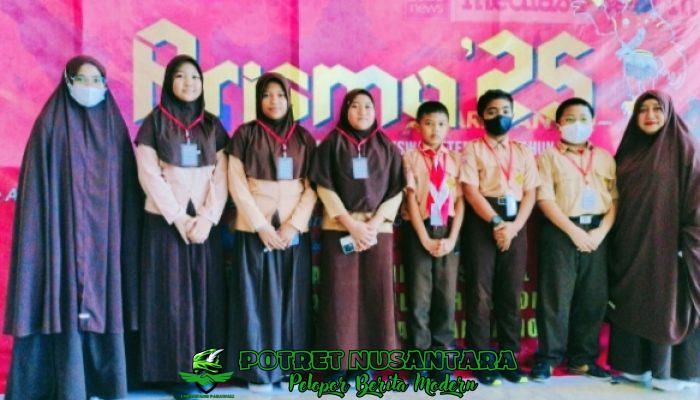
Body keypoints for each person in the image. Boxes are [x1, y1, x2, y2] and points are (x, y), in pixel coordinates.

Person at [3, 55, 141, 400]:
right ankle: (62, 383)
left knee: (104, 296)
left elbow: (126, 189)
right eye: (83, 79)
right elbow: (37, 189)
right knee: (60, 292)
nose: (90, 87)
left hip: (104, 238)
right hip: (60, 235)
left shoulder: (113, 126)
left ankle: (104, 381)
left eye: (97, 80)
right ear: (68, 81)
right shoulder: (49, 124)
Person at [134, 55, 229, 389]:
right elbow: (149, 175)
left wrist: (207, 218)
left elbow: (222, 176)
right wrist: (178, 217)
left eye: (195, 77)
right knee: (170, 298)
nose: (189, 83)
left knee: (206, 297)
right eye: (180, 76)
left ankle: (205, 371)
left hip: (205, 227)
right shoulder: (154, 123)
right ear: (168, 82)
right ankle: (174, 374)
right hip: (164, 224)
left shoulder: (212, 125)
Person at [225, 72, 317, 393]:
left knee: (293, 300)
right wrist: (261, 225)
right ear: (258, 99)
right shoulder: (245, 134)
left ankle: (291, 369)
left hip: (293, 232)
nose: (273, 101)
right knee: (257, 302)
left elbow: (313, 188)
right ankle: (259, 373)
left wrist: (293, 225)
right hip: (255, 230)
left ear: (288, 100)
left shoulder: (303, 137)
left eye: (279, 95)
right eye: (266, 95)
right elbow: (236, 183)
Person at [608, 90, 700, 392]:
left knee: (665, 306)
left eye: (657, 109)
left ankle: (669, 372)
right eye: (643, 110)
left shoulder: (684, 148)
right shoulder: (629, 149)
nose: (650, 115)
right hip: (630, 246)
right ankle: (635, 366)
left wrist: (687, 247)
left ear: (669, 113)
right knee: (634, 303)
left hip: (668, 249)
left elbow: (696, 205)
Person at [311, 89, 404, 382]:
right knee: (340, 296)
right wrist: (351, 224)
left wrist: (373, 223)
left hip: (378, 231)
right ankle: (337, 364)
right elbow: (323, 186)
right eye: (355, 106)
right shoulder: (332, 143)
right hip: (340, 229)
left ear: (375, 112)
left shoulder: (387, 147)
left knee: (374, 294)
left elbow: (397, 189)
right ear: (345, 111)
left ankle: (366, 364)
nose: (362, 111)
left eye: (368, 106)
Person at [530, 98, 616, 381]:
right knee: (555, 298)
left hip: (597, 234)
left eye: (583, 119)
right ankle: (548, 359)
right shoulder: (548, 157)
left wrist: (600, 232)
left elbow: (615, 200)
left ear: (593, 123)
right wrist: (573, 231)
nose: (577, 124)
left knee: (593, 299)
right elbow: (544, 199)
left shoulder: (605, 158)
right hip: (560, 232)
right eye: (570, 119)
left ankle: (583, 359)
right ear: (559, 125)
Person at [460, 89, 540, 385]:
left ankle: (509, 358)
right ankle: (481, 360)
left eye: (505, 111)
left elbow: (530, 193)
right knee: (479, 294)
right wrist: (496, 222)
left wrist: (514, 227)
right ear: (482, 117)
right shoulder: (472, 150)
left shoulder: (523, 151)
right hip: (482, 221)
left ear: (513, 114)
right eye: (492, 112)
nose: (500, 116)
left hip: (516, 222)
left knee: (510, 293)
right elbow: (470, 191)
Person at [401, 101, 464, 380]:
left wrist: (452, 238)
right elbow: (411, 199)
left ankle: (442, 359)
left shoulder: (456, 160)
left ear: (448, 127)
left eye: (440, 124)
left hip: (448, 230)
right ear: (418, 126)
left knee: (446, 298)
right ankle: (419, 360)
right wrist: (424, 238)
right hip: (420, 230)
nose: (435, 129)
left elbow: (460, 201)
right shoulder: (409, 158)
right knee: (419, 298)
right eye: (428, 123)